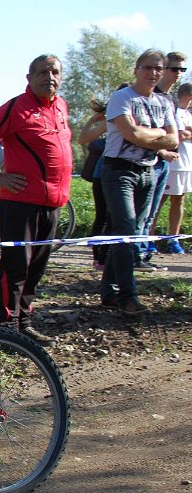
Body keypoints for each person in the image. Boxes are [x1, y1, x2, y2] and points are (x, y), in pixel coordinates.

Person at [0, 54, 73, 346]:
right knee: (16, 266)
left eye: (55, 72)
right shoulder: (17, 107)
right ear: (29, 78)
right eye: (42, 72)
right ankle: (8, 329)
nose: (49, 77)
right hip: (21, 201)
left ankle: (24, 324)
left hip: (53, 203)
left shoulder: (61, 106)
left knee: (37, 267)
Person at [99, 49, 178, 315]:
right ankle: (127, 297)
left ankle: (109, 292)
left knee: (131, 232)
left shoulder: (164, 102)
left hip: (148, 171)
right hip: (119, 171)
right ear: (136, 69)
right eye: (148, 67)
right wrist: (159, 133)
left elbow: (174, 140)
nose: (153, 73)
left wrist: (149, 134)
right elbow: (131, 134)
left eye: (158, 68)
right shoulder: (122, 97)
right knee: (126, 231)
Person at [138, 51, 185, 266]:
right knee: (144, 211)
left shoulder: (171, 99)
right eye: (174, 69)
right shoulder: (149, 94)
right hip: (148, 162)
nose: (178, 73)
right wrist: (161, 150)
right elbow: (141, 133)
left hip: (165, 163)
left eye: (182, 70)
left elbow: (172, 134)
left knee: (151, 211)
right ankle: (137, 252)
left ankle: (144, 251)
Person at [78, 97, 110, 270]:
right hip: (103, 173)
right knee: (103, 216)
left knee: (110, 217)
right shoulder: (111, 120)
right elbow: (82, 139)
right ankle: (99, 258)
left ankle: (105, 257)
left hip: (125, 171)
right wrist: (91, 121)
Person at [160, 82, 192, 254]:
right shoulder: (174, 111)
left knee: (179, 200)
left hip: (186, 164)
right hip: (173, 164)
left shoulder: (188, 114)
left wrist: (188, 132)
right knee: (160, 200)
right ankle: (148, 239)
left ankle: (174, 239)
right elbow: (178, 134)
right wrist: (185, 133)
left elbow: (187, 134)